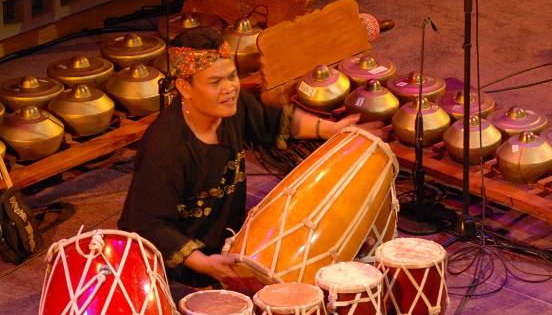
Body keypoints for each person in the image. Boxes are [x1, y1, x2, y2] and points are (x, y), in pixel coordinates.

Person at [119, 26, 374, 290]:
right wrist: (203, 263)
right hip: (176, 272)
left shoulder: (233, 106)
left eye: (232, 76)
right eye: (215, 82)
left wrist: (332, 129)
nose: (230, 88)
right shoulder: (166, 146)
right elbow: (147, 225)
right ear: (185, 87)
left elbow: (273, 121)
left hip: (228, 246)